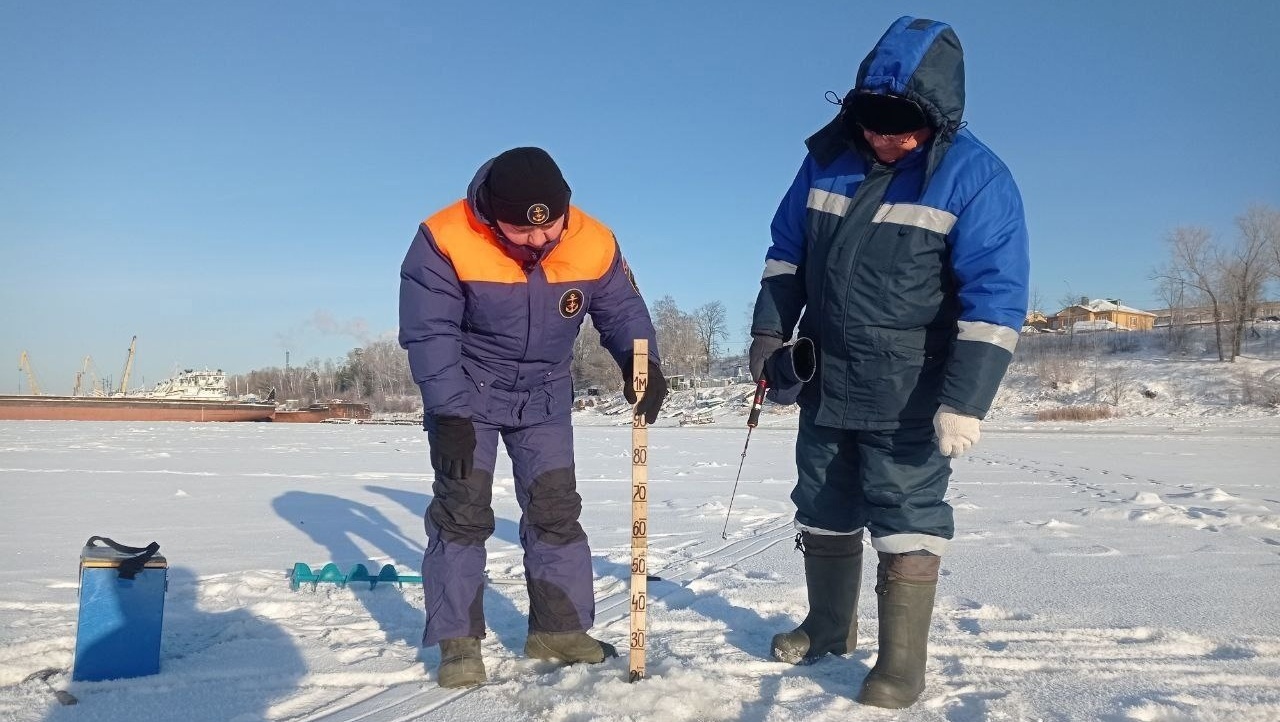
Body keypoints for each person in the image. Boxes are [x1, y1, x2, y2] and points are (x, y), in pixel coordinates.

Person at [749, 17, 1029, 709]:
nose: (885, 139)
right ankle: (826, 627)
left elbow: (996, 301)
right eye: (873, 123)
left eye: (902, 128)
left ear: (937, 118)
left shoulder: (978, 179)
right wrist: (768, 337)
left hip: (909, 387)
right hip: (824, 374)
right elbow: (786, 256)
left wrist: (967, 399)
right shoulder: (827, 158)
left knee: (905, 509)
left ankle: (901, 662)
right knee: (820, 501)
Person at [399, 146, 668, 688]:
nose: (540, 240)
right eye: (521, 232)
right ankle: (458, 644)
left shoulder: (594, 240)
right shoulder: (444, 238)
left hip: (545, 397)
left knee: (555, 511)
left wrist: (644, 363)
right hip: (468, 395)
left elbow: (623, 311)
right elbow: (431, 333)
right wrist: (448, 414)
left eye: (550, 227)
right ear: (491, 217)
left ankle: (558, 630)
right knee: (462, 513)